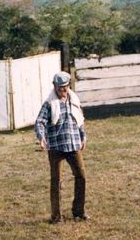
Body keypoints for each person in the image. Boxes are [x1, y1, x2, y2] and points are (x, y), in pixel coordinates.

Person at [34, 71, 89, 223]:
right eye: (59, 88)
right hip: (56, 147)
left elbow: (79, 121)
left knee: (81, 176)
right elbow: (39, 121)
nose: (62, 90)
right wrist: (42, 137)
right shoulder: (49, 103)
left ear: (68, 86)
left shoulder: (74, 100)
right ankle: (56, 217)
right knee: (56, 180)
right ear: (54, 87)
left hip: (73, 145)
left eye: (64, 87)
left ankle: (78, 212)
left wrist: (83, 137)